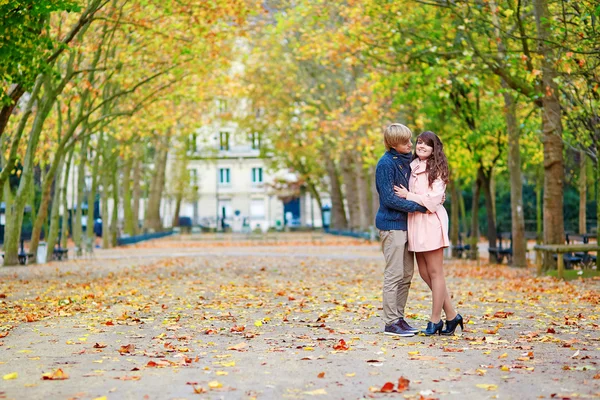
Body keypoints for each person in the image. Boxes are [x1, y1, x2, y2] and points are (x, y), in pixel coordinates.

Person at [393, 131, 463, 336]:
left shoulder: (437, 169)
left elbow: (433, 201)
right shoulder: (412, 166)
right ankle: (451, 315)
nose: (421, 146)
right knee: (424, 273)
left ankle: (435, 320)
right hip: (415, 221)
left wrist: (409, 195)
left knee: (435, 272)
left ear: (434, 148)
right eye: (419, 142)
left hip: (431, 222)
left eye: (426, 144)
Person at [375, 123, 429, 337]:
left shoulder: (411, 162)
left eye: (410, 140)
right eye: (404, 142)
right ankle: (390, 322)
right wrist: (419, 206)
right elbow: (389, 198)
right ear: (392, 144)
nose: (410, 144)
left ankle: (399, 317)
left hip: (409, 226)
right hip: (392, 225)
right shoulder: (385, 164)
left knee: (406, 274)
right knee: (394, 274)